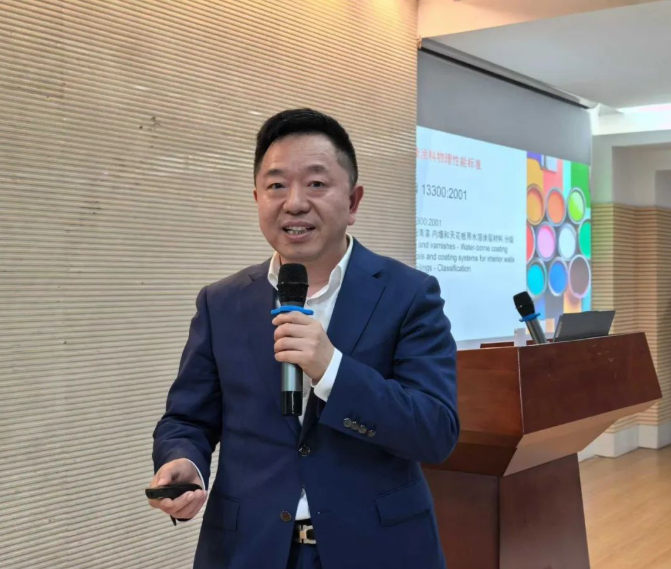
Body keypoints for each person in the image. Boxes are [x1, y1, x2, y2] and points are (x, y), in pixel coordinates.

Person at [148, 108, 459, 569]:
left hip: (378, 550)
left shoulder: (409, 294)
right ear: (257, 198)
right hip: (247, 550)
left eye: (316, 183)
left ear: (353, 201)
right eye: (276, 185)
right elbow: (187, 419)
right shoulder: (222, 302)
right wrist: (184, 463)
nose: (294, 203)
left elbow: (435, 432)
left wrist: (333, 369)